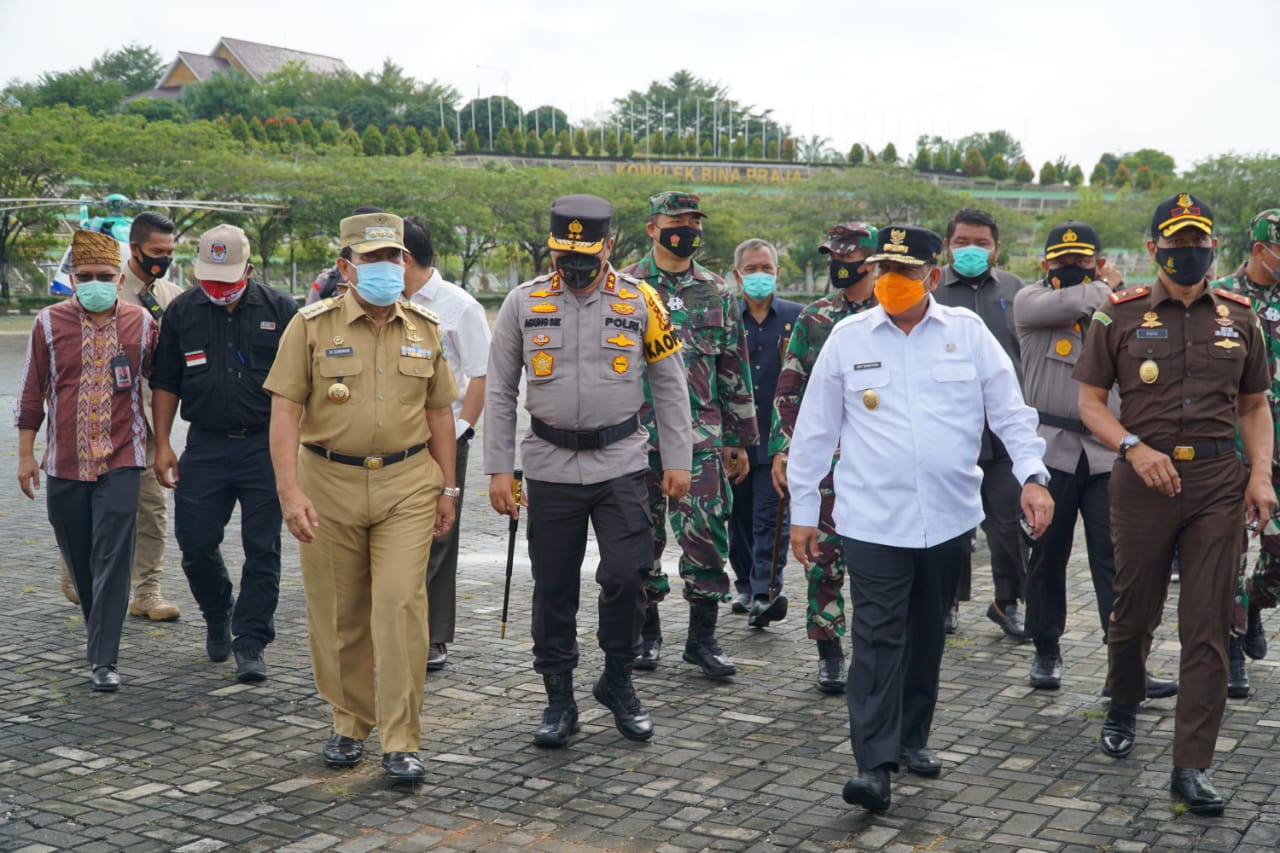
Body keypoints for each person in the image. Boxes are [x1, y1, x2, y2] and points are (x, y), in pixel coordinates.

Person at [787, 224, 1052, 813]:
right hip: (871, 520)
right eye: (885, 270)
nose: (891, 282)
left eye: (905, 272)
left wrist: (1034, 476)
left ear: (932, 277)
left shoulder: (968, 333)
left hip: (950, 517)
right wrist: (803, 512)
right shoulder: (848, 337)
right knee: (878, 637)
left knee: (927, 635)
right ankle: (873, 765)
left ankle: (912, 738)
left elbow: (1011, 413)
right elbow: (814, 431)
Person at [1075, 193, 1274, 815]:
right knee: (1133, 612)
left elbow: (1253, 406)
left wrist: (1261, 475)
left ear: (1214, 247)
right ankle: (1124, 700)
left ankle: (1191, 764)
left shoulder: (1240, 317)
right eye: (1176, 242)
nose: (1188, 252)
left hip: (1218, 481)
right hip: (1142, 482)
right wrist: (1133, 448)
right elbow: (1090, 403)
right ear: (1155, 245)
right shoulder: (1119, 315)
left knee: (1208, 623)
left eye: (1199, 242)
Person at [485, 194, 692, 747]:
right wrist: (499, 469)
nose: (572, 266)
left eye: (585, 254)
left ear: (607, 247)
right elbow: (502, 391)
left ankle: (618, 680)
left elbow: (671, 384)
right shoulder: (522, 303)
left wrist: (678, 459)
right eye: (562, 254)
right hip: (549, 466)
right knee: (553, 586)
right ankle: (558, 699)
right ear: (553, 249)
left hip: (621, 463)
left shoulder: (640, 299)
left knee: (627, 576)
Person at [264, 211, 459, 785]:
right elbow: (284, 410)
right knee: (340, 613)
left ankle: (402, 738)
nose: (387, 267)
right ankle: (350, 722)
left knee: (400, 605)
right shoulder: (311, 325)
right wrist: (289, 490)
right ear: (347, 267)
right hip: (328, 484)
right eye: (373, 259)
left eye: (394, 257)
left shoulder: (426, 327)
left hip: (407, 484)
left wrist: (448, 488)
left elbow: (440, 412)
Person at [1013, 222, 1177, 699]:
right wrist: (1107, 285)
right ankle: (1046, 648)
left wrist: (1112, 290)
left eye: (1082, 261)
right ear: (1045, 265)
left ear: (1098, 261)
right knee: (1046, 555)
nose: (1070, 269)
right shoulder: (1031, 301)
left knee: (1118, 561)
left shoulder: (1122, 310)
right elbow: (1075, 302)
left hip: (1109, 453)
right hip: (1051, 452)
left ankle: (1125, 666)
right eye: (1061, 261)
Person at [150, 224, 298, 683]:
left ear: (249, 270)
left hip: (264, 445)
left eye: (227, 281)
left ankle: (251, 640)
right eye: (209, 280)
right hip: (206, 445)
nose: (217, 290)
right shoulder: (182, 313)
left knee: (262, 548)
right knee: (194, 544)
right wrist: (162, 444)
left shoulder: (282, 310)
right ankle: (219, 612)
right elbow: (165, 381)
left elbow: (302, 387)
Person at [620, 190, 756, 678]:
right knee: (640, 537)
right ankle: (647, 634)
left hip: (702, 438)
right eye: (677, 220)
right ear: (653, 228)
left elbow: (732, 365)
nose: (688, 229)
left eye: (694, 221)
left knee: (706, 535)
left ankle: (702, 639)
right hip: (635, 436)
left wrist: (739, 437)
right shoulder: (626, 287)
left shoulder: (718, 291)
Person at [16, 230, 159, 691]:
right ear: (72, 279)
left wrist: (168, 445)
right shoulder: (48, 324)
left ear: (119, 280)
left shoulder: (142, 323)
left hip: (123, 457)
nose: (94, 282)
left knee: (113, 555)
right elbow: (32, 390)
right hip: (63, 461)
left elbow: (164, 385)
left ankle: (103, 658)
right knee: (78, 556)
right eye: (85, 276)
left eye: (103, 275)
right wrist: (24, 454)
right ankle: (99, 632)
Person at [55, 212, 184, 620]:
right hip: (93, 424)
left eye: (170, 252)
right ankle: (76, 572)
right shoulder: (102, 289)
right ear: (135, 249)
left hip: (144, 423)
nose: (163, 259)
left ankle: (146, 591)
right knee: (88, 505)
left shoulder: (173, 296)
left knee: (152, 506)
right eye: (156, 252)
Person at [769, 221, 878, 693]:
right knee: (823, 559)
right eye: (833, 254)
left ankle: (876, 649)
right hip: (827, 460)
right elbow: (789, 388)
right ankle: (829, 651)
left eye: (848, 255)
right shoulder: (814, 318)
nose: (838, 263)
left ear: (871, 261)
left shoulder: (895, 314)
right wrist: (786, 449)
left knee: (877, 560)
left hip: (878, 459)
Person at [933, 208, 1030, 639]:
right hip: (950, 429)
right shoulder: (931, 290)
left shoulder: (1016, 290)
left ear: (996, 248)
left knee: (1008, 523)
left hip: (1002, 431)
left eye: (981, 243)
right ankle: (947, 601)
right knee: (951, 523)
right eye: (961, 242)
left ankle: (1007, 601)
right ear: (947, 245)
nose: (971, 250)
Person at [403, 215, 491, 672]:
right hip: (393, 436)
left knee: (439, 537)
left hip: (443, 435)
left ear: (404, 258)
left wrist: (462, 430)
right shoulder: (386, 301)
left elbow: (480, 372)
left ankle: (433, 635)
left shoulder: (459, 305)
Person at [727, 238, 802, 626]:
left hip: (777, 441)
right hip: (734, 439)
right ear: (738, 275)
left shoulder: (798, 317)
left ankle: (765, 592)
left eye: (767, 268)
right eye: (752, 269)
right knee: (737, 520)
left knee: (770, 518)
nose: (760, 275)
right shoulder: (725, 317)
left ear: (778, 272)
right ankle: (744, 584)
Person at [1221, 208, 1280, 698]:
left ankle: (1257, 605)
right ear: (1260, 250)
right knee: (1231, 555)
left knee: (1277, 560)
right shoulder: (1223, 297)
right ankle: (1233, 647)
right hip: (1237, 450)